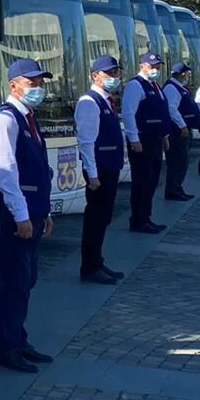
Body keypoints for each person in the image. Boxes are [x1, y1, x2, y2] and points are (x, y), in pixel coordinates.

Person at [0, 58, 56, 372]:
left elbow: (40, 170)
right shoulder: (5, 120)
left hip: (33, 212)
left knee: (27, 279)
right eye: (32, 82)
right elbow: (6, 174)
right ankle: (6, 346)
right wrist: (21, 216)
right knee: (15, 281)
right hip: (15, 216)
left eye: (41, 82)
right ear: (13, 84)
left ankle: (19, 337)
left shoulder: (29, 118)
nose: (38, 88)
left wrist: (45, 211)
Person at [75, 55, 126, 286]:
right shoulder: (89, 101)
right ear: (95, 75)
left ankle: (98, 260)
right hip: (100, 169)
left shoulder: (107, 100)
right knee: (95, 218)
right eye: (109, 73)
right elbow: (86, 141)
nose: (114, 77)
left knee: (104, 217)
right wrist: (92, 174)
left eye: (116, 73)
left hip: (109, 165)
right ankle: (89, 266)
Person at [120, 52, 170, 234]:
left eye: (157, 66)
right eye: (152, 66)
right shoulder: (136, 85)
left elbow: (160, 112)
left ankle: (146, 217)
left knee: (152, 180)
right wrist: (134, 139)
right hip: (143, 139)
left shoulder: (154, 85)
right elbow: (129, 113)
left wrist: (164, 136)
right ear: (142, 65)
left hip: (155, 138)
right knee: (142, 181)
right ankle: (138, 220)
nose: (155, 69)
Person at [162, 62, 198, 203]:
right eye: (187, 73)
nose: (188, 76)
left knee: (183, 160)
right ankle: (173, 190)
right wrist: (182, 126)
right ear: (183, 73)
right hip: (176, 131)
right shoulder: (171, 87)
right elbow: (172, 109)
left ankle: (178, 187)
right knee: (177, 161)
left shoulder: (179, 86)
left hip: (182, 129)